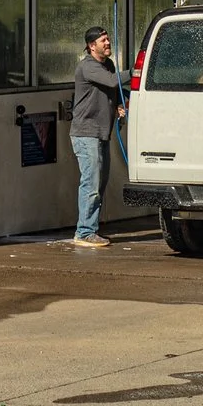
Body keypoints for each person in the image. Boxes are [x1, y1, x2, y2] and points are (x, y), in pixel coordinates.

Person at [69, 26, 124, 249]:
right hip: (86, 134)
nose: (108, 43)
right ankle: (84, 232)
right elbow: (112, 82)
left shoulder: (108, 65)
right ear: (92, 46)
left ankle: (91, 228)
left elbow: (113, 89)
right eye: (103, 41)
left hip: (102, 133)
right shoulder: (88, 66)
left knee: (100, 183)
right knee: (91, 184)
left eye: (108, 39)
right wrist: (138, 72)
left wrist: (119, 104)